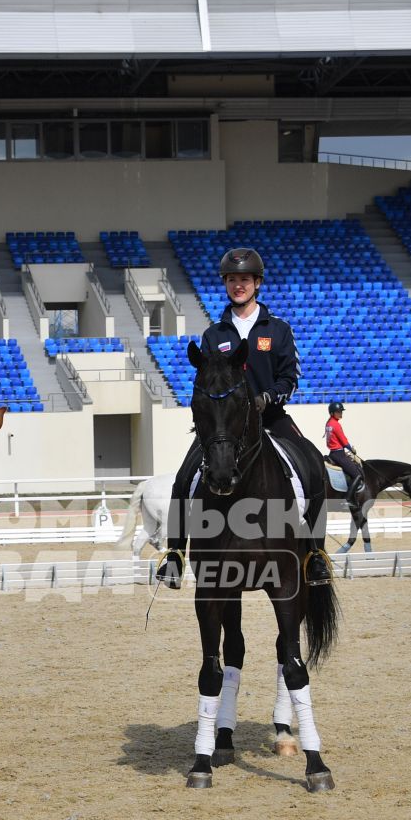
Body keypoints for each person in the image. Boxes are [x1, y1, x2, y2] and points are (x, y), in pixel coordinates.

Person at [158, 247, 330, 589]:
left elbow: (290, 377)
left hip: (270, 417)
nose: (239, 285)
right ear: (225, 284)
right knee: (184, 477)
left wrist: (268, 397)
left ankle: (314, 554)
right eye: (233, 279)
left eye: (245, 279)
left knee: (313, 467)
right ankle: (175, 553)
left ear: (257, 283)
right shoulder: (214, 335)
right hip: (225, 425)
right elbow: (206, 379)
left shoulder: (278, 329)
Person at [325, 402, 362, 491]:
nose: (341, 413)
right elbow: (344, 441)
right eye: (338, 412)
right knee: (358, 475)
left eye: (341, 411)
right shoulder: (336, 424)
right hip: (339, 455)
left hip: (333, 453)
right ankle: (349, 498)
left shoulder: (329, 423)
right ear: (332, 413)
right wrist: (351, 449)